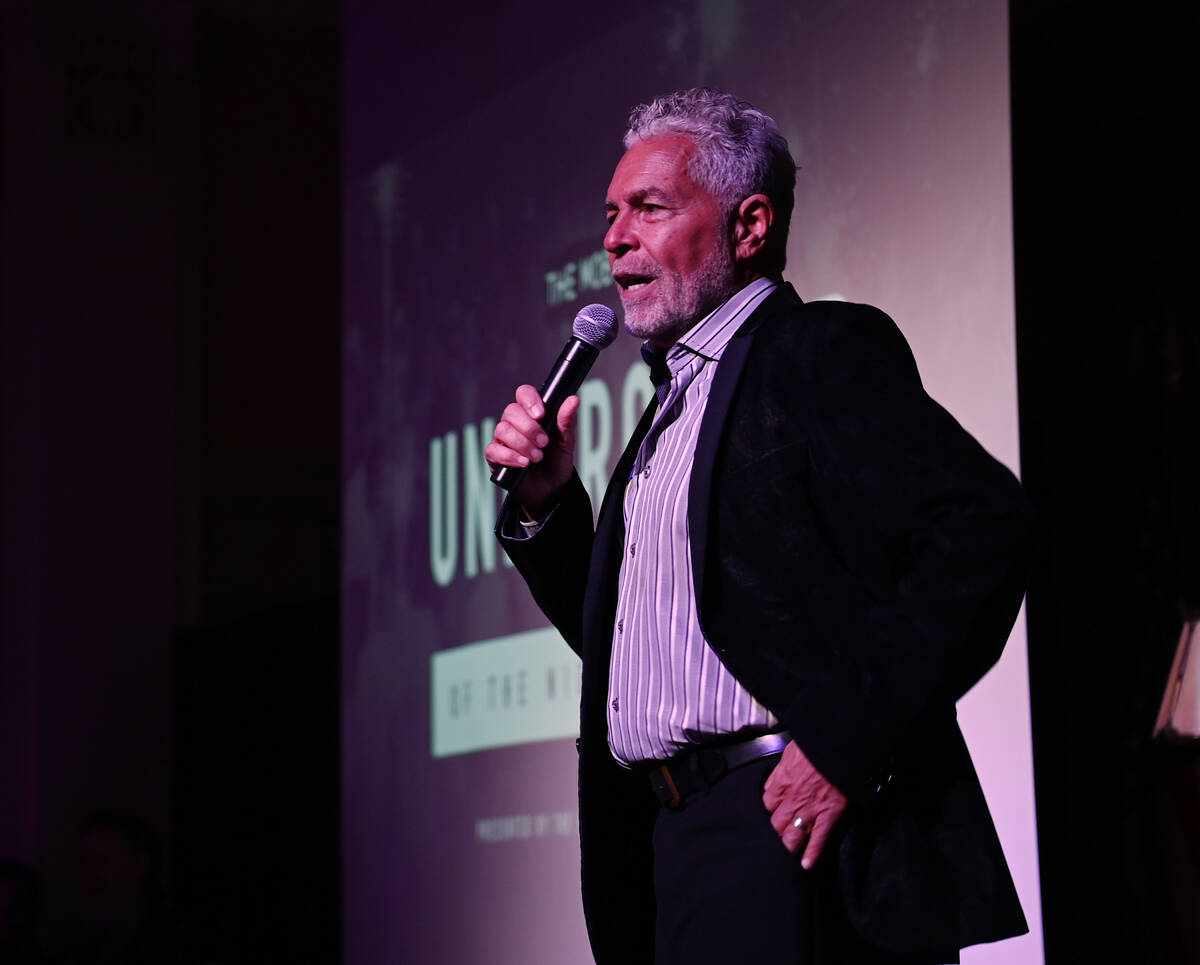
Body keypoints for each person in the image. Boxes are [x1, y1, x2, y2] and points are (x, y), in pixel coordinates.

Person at [486, 87, 1030, 965]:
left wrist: (846, 744)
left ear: (749, 225)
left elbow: (982, 530)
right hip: (670, 840)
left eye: (650, 208)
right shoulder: (671, 405)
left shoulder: (815, 352)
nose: (614, 236)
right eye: (610, 214)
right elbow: (629, 635)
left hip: (786, 830)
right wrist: (550, 503)